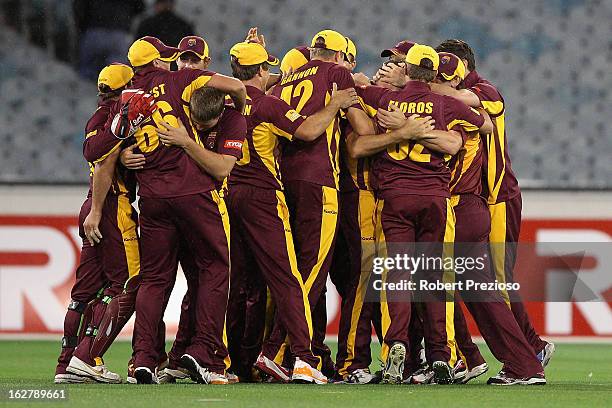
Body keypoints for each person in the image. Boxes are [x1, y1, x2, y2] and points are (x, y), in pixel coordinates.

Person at [351, 44, 491, 384]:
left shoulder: (382, 100)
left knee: (396, 275)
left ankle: (396, 343)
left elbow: (350, 89)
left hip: (394, 198)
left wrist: (401, 119)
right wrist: (427, 128)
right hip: (435, 199)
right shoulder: (446, 104)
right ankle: (441, 353)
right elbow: (483, 126)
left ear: (408, 70)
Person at [225, 40, 360, 384]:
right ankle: (296, 356)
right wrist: (337, 103)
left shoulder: (234, 102)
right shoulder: (278, 99)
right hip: (295, 187)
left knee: (236, 280)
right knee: (301, 275)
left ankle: (230, 357)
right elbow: (313, 129)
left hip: (241, 190)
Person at [124, 36, 246, 385]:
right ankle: (204, 353)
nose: (183, 64)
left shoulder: (127, 97)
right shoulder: (180, 81)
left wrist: (122, 155)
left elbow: (112, 139)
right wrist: (241, 105)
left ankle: (144, 359)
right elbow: (236, 85)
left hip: (151, 197)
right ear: (163, 62)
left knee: (155, 279)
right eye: (175, 59)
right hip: (193, 191)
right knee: (215, 269)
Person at [55, 63, 153, 384]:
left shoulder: (97, 116)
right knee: (126, 283)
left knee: (83, 293)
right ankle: (89, 357)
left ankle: (66, 364)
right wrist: (99, 209)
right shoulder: (124, 114)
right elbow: (101, 161)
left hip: (92, 206)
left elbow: (94, 151)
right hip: (112, 207)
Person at [73, 0, 145, 80]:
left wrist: (82, 27)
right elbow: (140, 7)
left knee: (87, 72)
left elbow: (79, 8)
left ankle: (87, 88)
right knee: (117, 74)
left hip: (94, 31)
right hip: (119, 34)